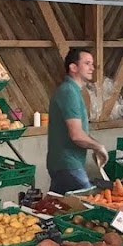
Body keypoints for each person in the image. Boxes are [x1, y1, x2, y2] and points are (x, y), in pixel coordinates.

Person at [46, 48, 109, 194]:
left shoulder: (71, 90)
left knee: (58, 206)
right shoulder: (69, 92)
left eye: (92, 64)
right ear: (73, 67)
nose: (92, 68)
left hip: (63, 163)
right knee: (89, 204)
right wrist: (98, 147)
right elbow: (76, 135)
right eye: (87, 63)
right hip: (68, 164)